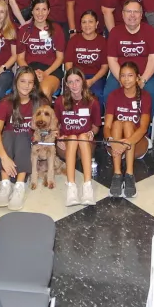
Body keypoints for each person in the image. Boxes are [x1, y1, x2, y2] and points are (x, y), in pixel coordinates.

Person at [0, 68, 46, 211]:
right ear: (15, 82)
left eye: (30, 82)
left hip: (28, 147)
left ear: (34, 85)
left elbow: (47, 128)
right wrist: (4, 157)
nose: (26, 85)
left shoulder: (39, 103)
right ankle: (5, 184)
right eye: (22, 81)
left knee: (23, 136)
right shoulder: (5, 103)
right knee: (8, 134)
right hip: (10, 147)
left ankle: (20, 185)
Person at [104, 0, 154, 113]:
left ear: (141, 15)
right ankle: (116, 123)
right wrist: (122, 79)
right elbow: (112, 60)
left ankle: (145, 125)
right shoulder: (115, 32)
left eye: (136, 12)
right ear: (122, 14)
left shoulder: (150, 31)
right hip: (119, 75)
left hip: (145, 75)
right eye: (128, 11)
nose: (132, 15)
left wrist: (143, 80)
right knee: (108, 93)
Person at [104, 61, 152, 198]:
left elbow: (143, 128)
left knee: (129, 124)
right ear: (119, 79)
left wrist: (126, 142)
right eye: (123, 76)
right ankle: (117, 174)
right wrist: (112, 141)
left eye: (130, 75)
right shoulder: (113, 95)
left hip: (136, 143)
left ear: (138, 77)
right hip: (116, 143)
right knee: (118, 124)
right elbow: (107, 126)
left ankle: (129, 174)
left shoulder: (145, 96)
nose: (126, 79)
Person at [55, 69, 100, 206]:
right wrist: (58, 138)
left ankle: (87, 186)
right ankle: (71, 187)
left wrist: (91, 133)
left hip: (85, 144)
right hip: (67, 145)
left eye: (77, 81)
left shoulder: (92, 101)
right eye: (70, 82)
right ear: (66, 85)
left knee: (80, 136)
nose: (74, 85)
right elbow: (55, 124)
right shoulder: (59, 102)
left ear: (83, 82)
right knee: (73, 137)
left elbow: (96, 125)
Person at [17, 0, 66, 98]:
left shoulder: (56, 29)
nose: (40, 13)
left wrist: (45, 73)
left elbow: (60, 58)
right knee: (26, 90)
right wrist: (32, 73)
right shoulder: (24, 30)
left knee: (44, 91)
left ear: (48, 11)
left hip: (51, 69)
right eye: (37, 9)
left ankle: (42, 114)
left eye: (44, 9)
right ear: (32, 11)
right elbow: (20, 58)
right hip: (29, 68)